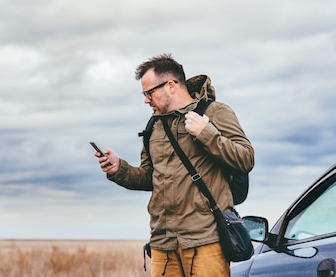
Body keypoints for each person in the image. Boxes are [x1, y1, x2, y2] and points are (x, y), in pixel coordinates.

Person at [94, 53, 254, 277]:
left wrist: (206, 134)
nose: (146, 100)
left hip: (205, 238)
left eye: (149, 92)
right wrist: (119, 168)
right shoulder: (153, 126)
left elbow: (246, 159)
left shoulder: (214, 112)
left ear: (170, 85)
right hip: (162, 241)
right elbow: (150, 177)